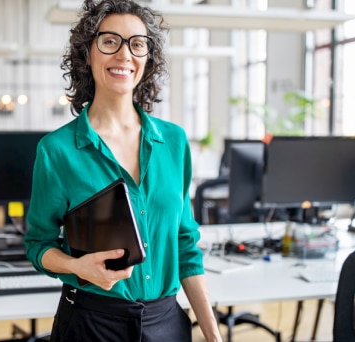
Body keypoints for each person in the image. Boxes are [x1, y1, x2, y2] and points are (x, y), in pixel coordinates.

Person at [24, 0, 222, 341]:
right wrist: (75, 266)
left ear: (148, 58)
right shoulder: (57, 151)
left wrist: (214, 336)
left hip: (167, 324)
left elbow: (186, 247)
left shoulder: (174, 142)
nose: (124, 55)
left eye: (137, 44)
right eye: (110, 41)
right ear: (88, 52)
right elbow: (38, 244)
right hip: (90, 325)